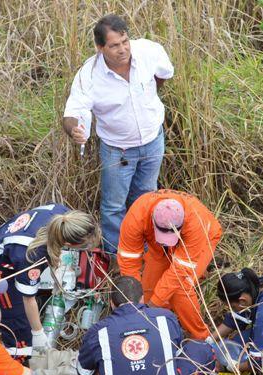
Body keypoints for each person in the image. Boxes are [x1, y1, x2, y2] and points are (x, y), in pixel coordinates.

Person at [62, 14, 175, 255]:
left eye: (125, 41)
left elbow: (164, 74)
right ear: (100, 47)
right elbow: (72, 113)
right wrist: (75, 131)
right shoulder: (89, 75)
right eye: (114, 45)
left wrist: (150, 95)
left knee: (145, 198)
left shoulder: (148, 51)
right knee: (113, 207)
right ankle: (117, 257)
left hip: (153, 141)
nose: (122, 49)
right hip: (117, 150)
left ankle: (145, 252)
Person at [76, 276, 216, 375]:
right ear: (142, 299)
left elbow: (84, 373)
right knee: (204, 348)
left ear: (111, 303)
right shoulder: (165, 317)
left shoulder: (97, 331)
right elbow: (176, 354)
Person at [0, 205, 100, 360]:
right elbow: (28, 298)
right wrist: (38, 333)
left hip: (7, 237)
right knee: (18, 321)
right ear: (69, 243)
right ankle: (19, 358)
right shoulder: (31, 255)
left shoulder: (63, 214)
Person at [117, 189, 222, 340]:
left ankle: (202, 337)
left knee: (180, 288)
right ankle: (159, 325)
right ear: (152, 219)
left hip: (201, 239)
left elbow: (179, 273)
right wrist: (135, 303)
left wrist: (153, 305)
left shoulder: (195, 221)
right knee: (145, 293)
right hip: (158, 248)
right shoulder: (136, 217)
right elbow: (128, 264)